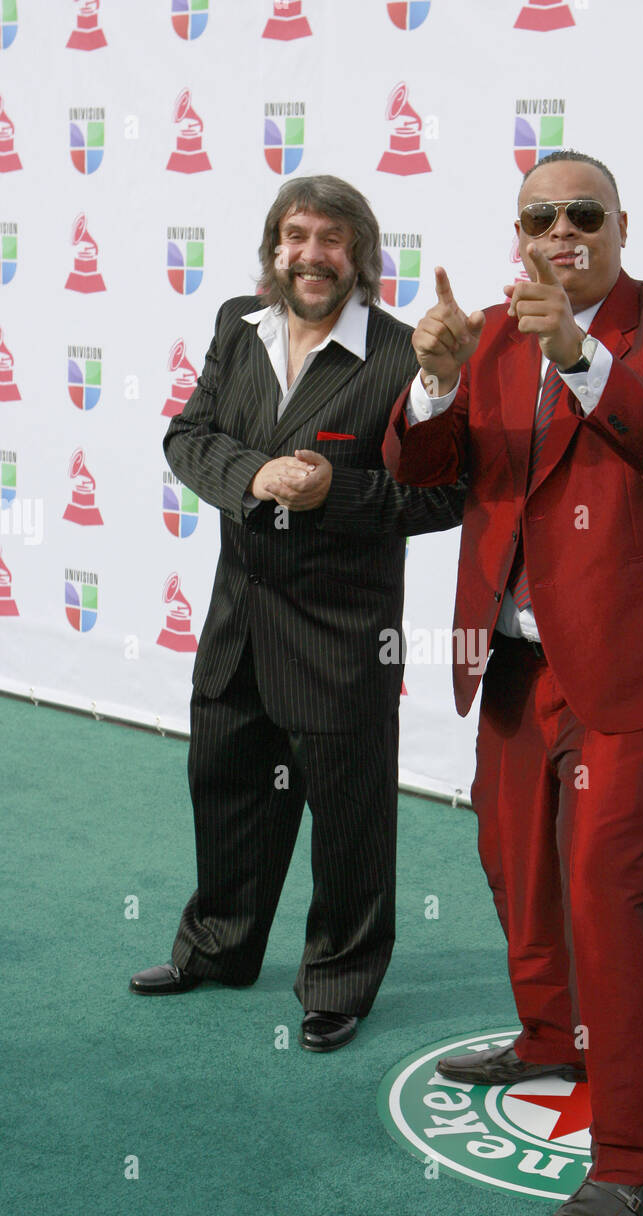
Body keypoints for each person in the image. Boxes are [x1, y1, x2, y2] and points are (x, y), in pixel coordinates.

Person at [384, 150, 643, 1216]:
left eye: (580, 212)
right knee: (514, 864)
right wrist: (436, 382)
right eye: (536, 214)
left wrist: (579, 353)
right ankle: (551, 1032)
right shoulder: (488, 329)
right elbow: (424, 470)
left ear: (618, 224)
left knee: (604, 890)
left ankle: (632, 1156)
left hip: (639, 667)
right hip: (511, 658)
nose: (558, 229)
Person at [130, 175, 464, 1053]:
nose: (311, 255)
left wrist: (334, 493)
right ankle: (218, 947)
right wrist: (252, 480)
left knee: (350, 818)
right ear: (274, 248)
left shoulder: (401, 355)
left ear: (360, 254)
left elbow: (441, 493)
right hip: (237, 624)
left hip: (343, 638)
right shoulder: (238, 323)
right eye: (295, 235)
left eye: (331, 239)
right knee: (227, 787)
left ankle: (339, 982)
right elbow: (188, 435)